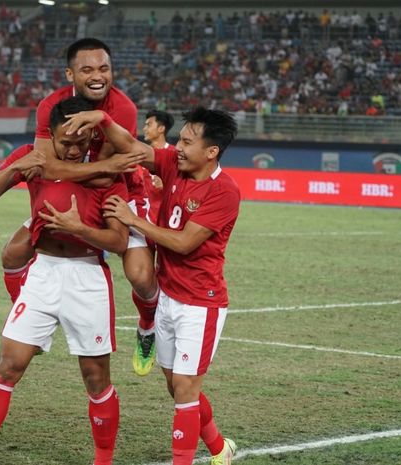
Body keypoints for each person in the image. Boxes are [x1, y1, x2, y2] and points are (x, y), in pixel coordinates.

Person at [64, 107, 240, 465]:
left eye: (188, 142)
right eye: (180, 139)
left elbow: (184, 243)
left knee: (186, 391)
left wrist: (133, 221)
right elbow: (133, 146)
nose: (178, 146)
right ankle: (220, 448)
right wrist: (103, 118)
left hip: (199, 305)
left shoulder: (224, 191)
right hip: (168, 297)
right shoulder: (175, 163)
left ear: (212, 151)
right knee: (176, 387)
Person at [0, 96, 129, 465]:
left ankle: (103, 460)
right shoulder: (32, 157)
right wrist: (17, 169)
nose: (73, 149)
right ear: (49, 136)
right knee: (8, 366)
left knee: (95, 378)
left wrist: (79, 228)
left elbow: (118, 242)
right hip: (43, 272)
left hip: (88, 278)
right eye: (64, 141)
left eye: (81, 141)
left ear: (92, 136)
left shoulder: (107, 174)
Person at [0, 37, 159, 377]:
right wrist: (73, 175)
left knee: (141, 276)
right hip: (74, 187)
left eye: (104, 68)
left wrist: (94, 149)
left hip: (122, 191)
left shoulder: (123, 109)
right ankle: (27, 315)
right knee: (13, 254)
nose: (97, 75)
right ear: (71, 74)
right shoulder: (51, 106)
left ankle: (147, 326)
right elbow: (48, 165)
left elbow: (109, 177)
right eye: (87, 69)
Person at [142, 109, 175, 224]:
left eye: (149, 125)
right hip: (143, 217)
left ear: (161, 129)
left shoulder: (175, 155)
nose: (144, 129)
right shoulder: (141, 155)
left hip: (166, 219)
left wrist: (167, 185)